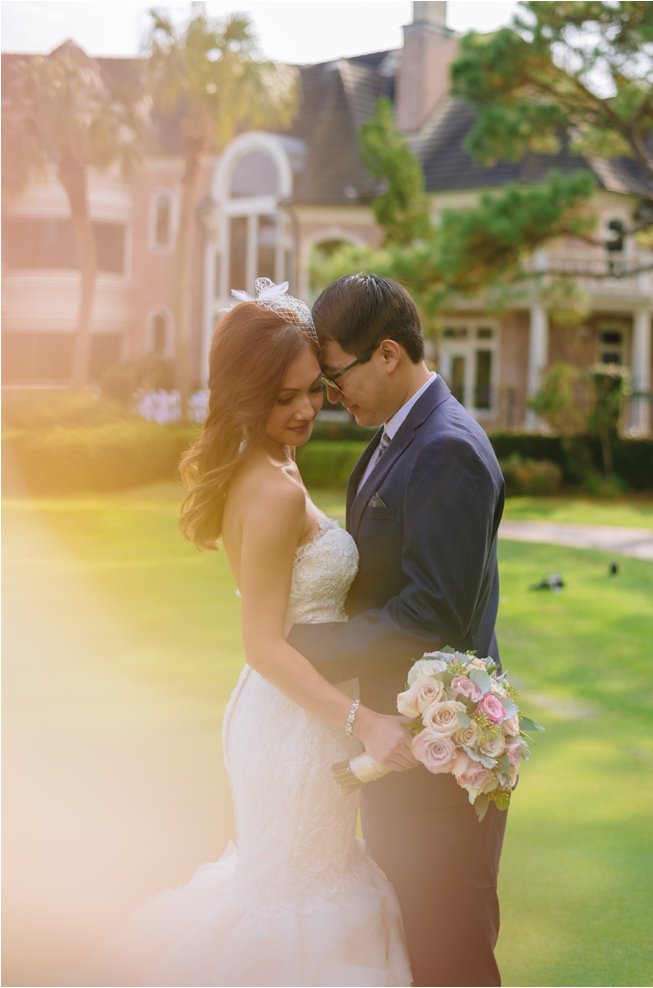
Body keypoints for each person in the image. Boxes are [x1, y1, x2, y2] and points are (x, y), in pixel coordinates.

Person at [72, 278, 413, 987]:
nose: (304, 410)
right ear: (244, 392)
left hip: (299, 717)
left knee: (310, 889)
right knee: (293, 906)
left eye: (312, 389)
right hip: (291, 726)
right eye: (281, 397)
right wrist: (364, 722)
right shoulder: (271, 488)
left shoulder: (271, 466)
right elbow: (261, 643)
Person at [288, 273, 507, 988]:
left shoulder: (446, 448)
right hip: (394, 748)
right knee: (408, 950)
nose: (329, 396)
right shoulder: (394, 436)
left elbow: (432, 611)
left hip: (435, 766)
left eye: (335, 376)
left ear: (387, 354)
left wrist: (312, 645)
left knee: (450, 955)